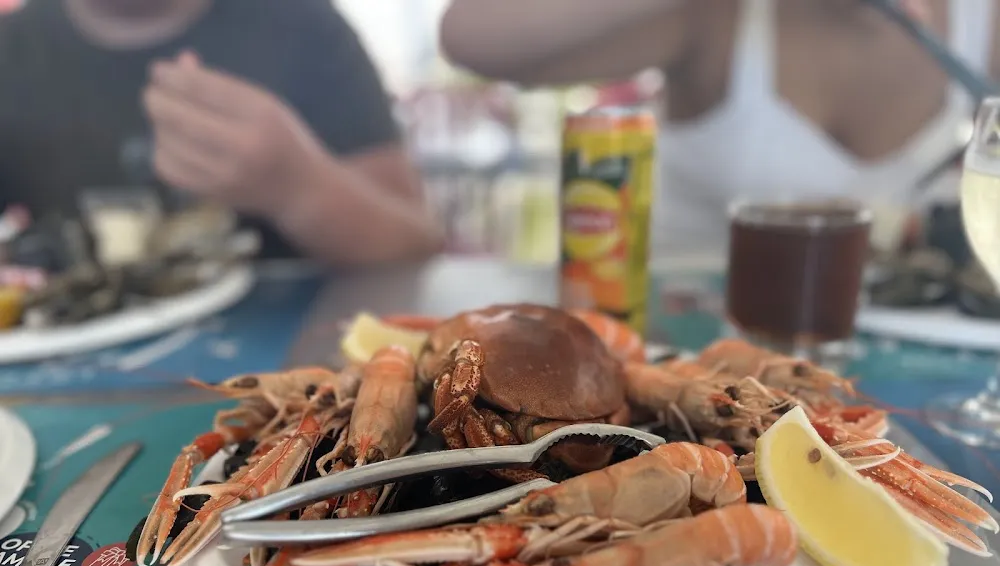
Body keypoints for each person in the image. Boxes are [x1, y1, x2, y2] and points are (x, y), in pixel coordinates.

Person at [438, 0, 992, 261]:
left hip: (890, 375)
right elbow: (473, 36)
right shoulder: (719, 15)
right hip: (673, 358)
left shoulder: (980, 18)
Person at [0, 0, 443, 264]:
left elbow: (414, 242)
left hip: (299, 364)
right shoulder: (12, 49)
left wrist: (296, 185)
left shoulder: (300, 22)